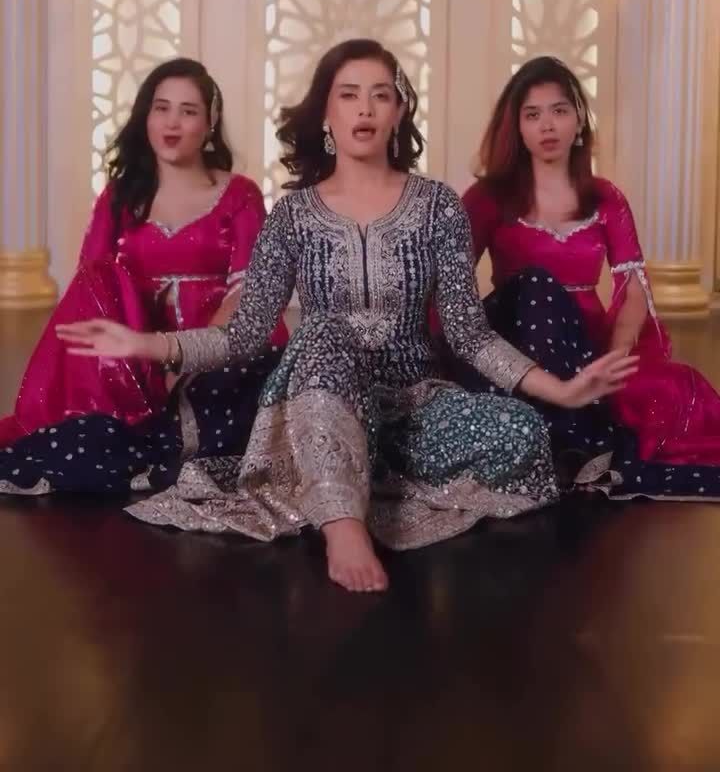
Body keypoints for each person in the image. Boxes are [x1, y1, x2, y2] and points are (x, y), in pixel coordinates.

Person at [56, 40, 635, 593]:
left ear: (399, 111)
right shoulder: (292, 216)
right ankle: (343, 525)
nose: (365, 108)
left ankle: (360, 472)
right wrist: (149, 345)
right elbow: (244, 334)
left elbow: (468, 333)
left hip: (411, 404)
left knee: (522, 433)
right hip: (319, 392)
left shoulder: (438, 207)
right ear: (326, 114)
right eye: (349, 94)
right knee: (327, 329)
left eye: (381, 95)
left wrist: (561, 390)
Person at [459, 55, 720, 497]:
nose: (547, 126)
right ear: (517, 128)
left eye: (559, 111)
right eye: (532, 115)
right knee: (537, 284)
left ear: (579, 120)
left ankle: (576, 441)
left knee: (675, 394)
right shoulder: (487, 198)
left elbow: (632, 288)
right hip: (515, 338)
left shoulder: (605, 198)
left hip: (584, 341)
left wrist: (614, 359)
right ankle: (581, 440)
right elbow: (451, 287)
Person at [0, 57, 287, 449]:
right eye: (161, 108)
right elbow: (90, 289)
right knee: (97, 280)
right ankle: (115, 417)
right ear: (146, 117)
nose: (172, 123)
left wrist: (186, 360)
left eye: (188, 111)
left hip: (216, 351)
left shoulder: (239, 195)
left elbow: (247, 294)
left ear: (210, 123)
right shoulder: (118, 196)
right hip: (131, 358)